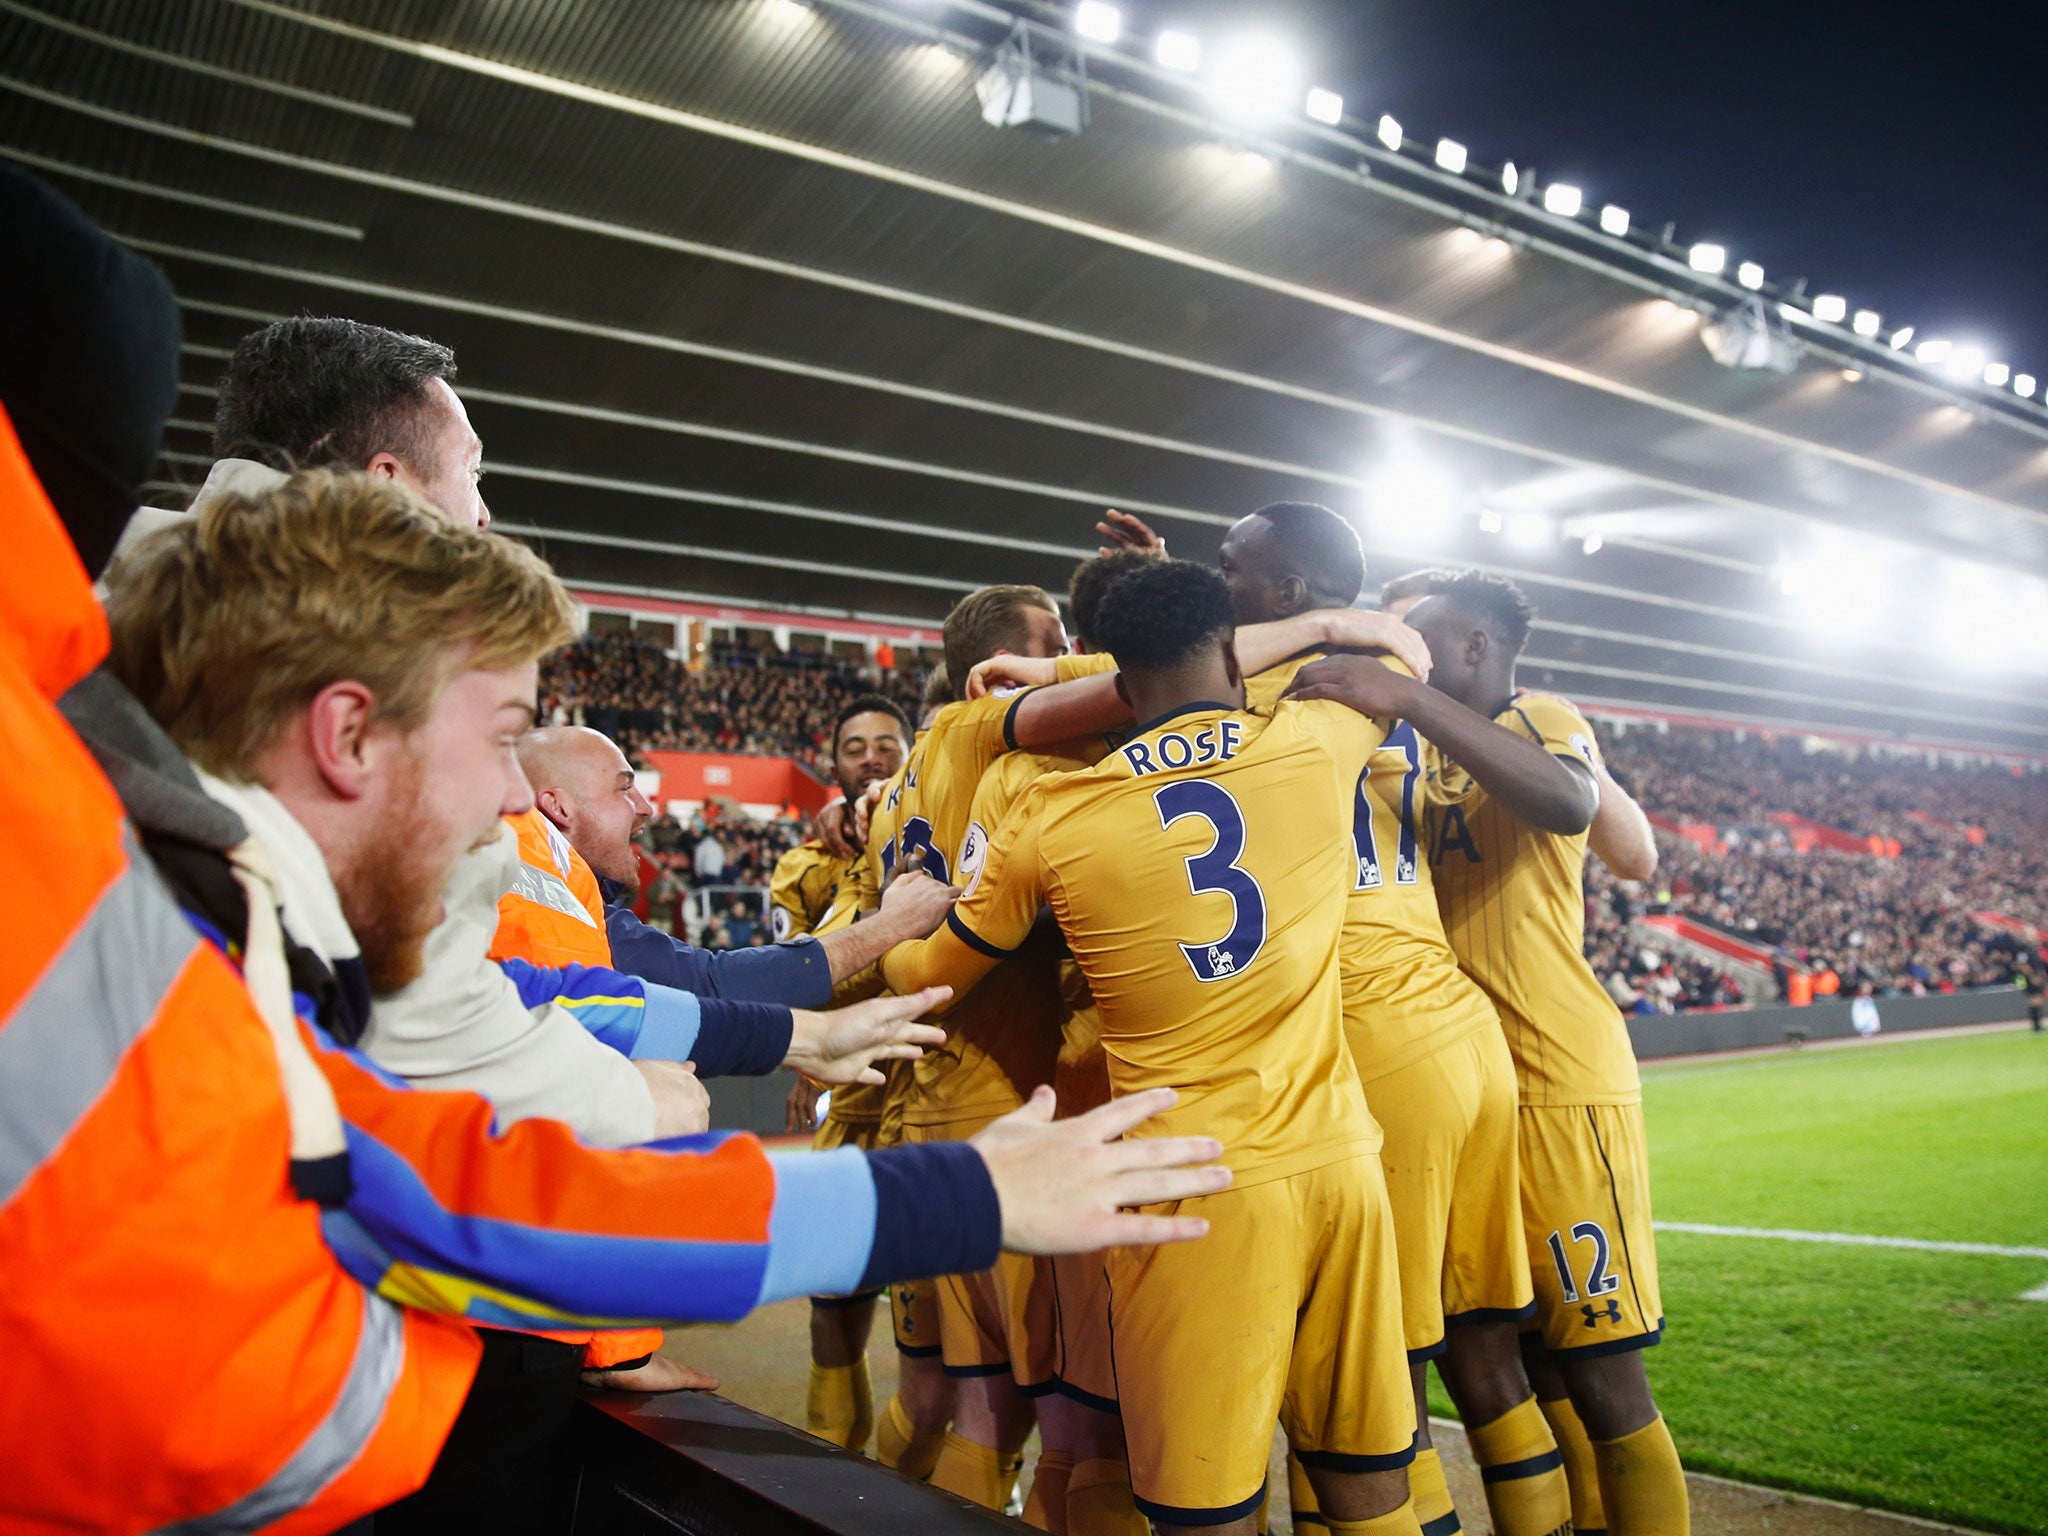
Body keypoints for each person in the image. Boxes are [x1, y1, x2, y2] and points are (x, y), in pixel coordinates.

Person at [0, 169, 1229, 1533]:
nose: (508, 804)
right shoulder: (104, 859)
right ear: (349, 733)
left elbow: (412, 1122)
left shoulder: (181, 862)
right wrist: (941, 1181)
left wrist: (803, 1069)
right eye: (506, 737)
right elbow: (432, 1192)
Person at [885, 560, 1423, 1536]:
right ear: (1226, 651)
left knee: (1199, 1508)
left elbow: (922, 977)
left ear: (1114, 683)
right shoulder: (1313, 743)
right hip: (1341, 1170)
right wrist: (1335, 628)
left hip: (1186, 1188)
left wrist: (890, 913)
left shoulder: (1051, 815)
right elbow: (1399, 651)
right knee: (1368, 1480)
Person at [1285, 570, 1690, 1536]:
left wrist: (1404, 696)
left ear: (1472, 647)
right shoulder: (1422, 760)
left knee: (1603, 1369)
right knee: (1524, 1356)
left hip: (1560, 1079)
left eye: (1425, 643)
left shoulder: (1538, 716)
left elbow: (1569, 804)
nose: (1406, 660)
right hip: (1473, 1081)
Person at [1206, 506, 1564, 1536]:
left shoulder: (1279, 679)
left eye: (1228, 566)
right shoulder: (1386, 672)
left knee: (1366, 1387)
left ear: (1285, 595)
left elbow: (1164, 664)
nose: (1211, 576)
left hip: (1375, 1044)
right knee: (1475, 1354)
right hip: (1454, 1034)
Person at [766, 694, 923, 1455]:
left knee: (953, 1317)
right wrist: (804, 1052)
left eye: (885, 743)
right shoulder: (805, 865)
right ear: (832, 763)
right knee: (835, 1297)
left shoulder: (945, 826)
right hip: (857, 1103)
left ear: (911, 750)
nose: (870, 755)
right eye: (855, 745)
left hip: (942, 1091)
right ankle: (836, 1461)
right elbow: (789, 974)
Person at [1377, 564, 1660, 887]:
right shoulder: (1405, 738)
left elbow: (1635, 860)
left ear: (1471, 643)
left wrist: (1583, 754)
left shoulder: (1535, 721)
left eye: (1415, 635)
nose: (1396, 651)